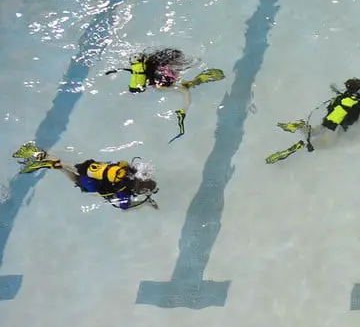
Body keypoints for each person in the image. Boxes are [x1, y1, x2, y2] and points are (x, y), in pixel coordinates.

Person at [105, 48, 225, 142]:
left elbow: (183, 92)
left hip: (164, 79)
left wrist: (184, 110)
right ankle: (195, 81)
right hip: (167, 72)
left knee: (184, 88)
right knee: (185, 85)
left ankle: (194, 83)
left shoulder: (157, 82)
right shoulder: (159, 67)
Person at [266, 78, 360, 164]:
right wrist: (359, 125)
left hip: (327, 120)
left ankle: (299, 125)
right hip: (335, 127)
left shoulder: (345, 95)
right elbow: (356, 117)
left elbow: (333, 105)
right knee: (325, 145)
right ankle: (301, 145)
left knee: (313, 132)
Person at [13, 142, 159, 210]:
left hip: (91, 166)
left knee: (76, 167)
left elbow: (120, 162)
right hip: (88, 181)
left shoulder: (130, 171)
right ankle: (54, 165)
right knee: (77, 180)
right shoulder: (125, 192)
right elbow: (124, 206)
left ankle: (48, 157)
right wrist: (144, 202)